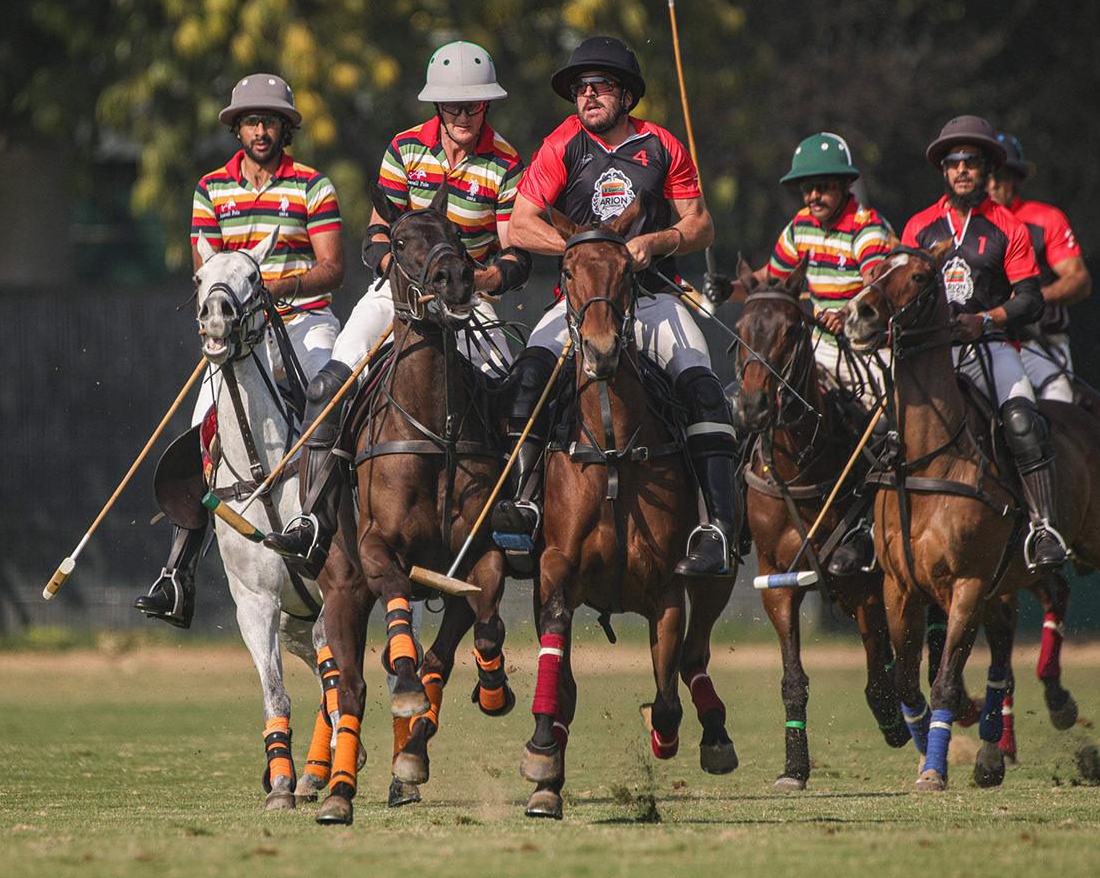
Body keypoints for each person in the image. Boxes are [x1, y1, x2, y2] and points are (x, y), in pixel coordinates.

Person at [262, 42, 533, 570]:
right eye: (452, 107)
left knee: (506, 387)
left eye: (472, 106)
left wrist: (484, 277)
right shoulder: (405, 149)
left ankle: (509, 515)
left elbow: (515, 250)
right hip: (400, 294)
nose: (462, 116)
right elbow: (375, 237)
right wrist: (403, 276)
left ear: (487, 107)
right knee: (332, 378)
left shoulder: (505, 161)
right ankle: (314, 515)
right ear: (437, 108)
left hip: (469, 300)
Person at [489, 35, 739, 577]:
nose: (588, 96)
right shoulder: (562, 146)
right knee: (529, 374)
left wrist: (656, 243)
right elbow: (520, 224)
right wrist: (587, 255)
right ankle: (525, 505)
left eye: (601, 87)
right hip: (583, 307)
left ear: (626, 96)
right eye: (581, 88)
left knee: (702, 384)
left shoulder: (662, 145)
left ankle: (717, 528)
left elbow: (700, 224)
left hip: (652, 300)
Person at [136, 74, 346, 628]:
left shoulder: (312, 186)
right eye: (251, 120)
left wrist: (278, 288)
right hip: (238, 336)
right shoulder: (211, 189)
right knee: (202, 425)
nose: (261, 129)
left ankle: (325, 525)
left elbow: (332, 268)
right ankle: (177, 574)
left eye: (270, 120)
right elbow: (206, 271)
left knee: (326, 401)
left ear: (285, 127)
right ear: (237, 127)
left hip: (304, 323)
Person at [898, 115, 1066, 571]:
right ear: (944, 170)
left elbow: (1030, 299)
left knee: (1024, 421)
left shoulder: (1009, 228)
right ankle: (872, 530)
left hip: (990, 349)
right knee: (880, 426)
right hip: (929, 354)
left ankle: (1043, 526)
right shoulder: (919, 228)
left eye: (972, 161)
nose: (962, 169)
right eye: (954, 162)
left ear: (988, 168)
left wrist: (986, 319)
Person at [705, 132, 895, 394]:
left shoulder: (867, 227)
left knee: (887, 425)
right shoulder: (800, 225)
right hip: (820, 348)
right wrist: (728, 290)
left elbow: (875, 289)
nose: (814, 195)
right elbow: (769, 280)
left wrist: (844, 314)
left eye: (824, 186)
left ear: (845, 184)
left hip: (868, 348)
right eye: (808, 188)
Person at [987, 134, 1091, 403]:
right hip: (981, 341)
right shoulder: (963, 227)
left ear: (1016, 179)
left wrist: (1029, 301)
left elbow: (1079, 279)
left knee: (1060, 400)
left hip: (1039, 341)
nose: (993, 184)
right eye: (987, 174)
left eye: (1002, 175)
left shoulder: (1044, 219)